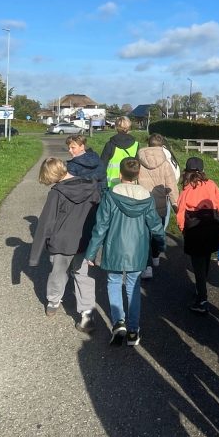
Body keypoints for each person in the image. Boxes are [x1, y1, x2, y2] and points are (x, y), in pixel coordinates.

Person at [84, 157, 164, 346]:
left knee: (113, 282)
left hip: (114, 248)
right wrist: (160, 246)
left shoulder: (110, 196)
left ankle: (118, 323)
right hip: (138, 250)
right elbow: (155, 225)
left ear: (120, 174)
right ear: (138, 175)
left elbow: (101, 226)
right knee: (133, 287)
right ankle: (133, 331)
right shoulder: (147, 198)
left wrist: (91, 252)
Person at [28, 157, 100, 333]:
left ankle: (53, 302)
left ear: (51, 175)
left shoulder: (57, 193)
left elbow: (46, 223)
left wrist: (34, 256)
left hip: (61, 243)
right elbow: (99, 216)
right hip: (85, 241)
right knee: (83, 276)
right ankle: (87, 314)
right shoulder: (91, 187)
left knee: (58, 273)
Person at [176, 156, 219, 316]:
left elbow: (181, 212)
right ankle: (201, 286)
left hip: (194, 230)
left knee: (197, 263)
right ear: (203, 170)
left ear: (186, 171)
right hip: (211, 227)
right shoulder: (211, 185)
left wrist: (183, 229)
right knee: (205, 257)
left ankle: (202, 299)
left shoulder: (187, 189)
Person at [137, 133, 180, 276]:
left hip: (143, 203)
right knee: (156, 232)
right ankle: (155, 258)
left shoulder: (139, 161)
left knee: (144, 235)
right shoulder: (165, 164)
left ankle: (146, 266)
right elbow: (171, 185)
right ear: (162, 147)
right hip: (159, 205)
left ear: (148, 145)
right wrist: (175, 204)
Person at [100, 115, 139, 188]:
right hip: (130, 184)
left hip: (112, 185)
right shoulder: (136, 144)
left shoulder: (110, 144)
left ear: (116, 128)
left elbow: (102, 165)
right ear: (129, 128)